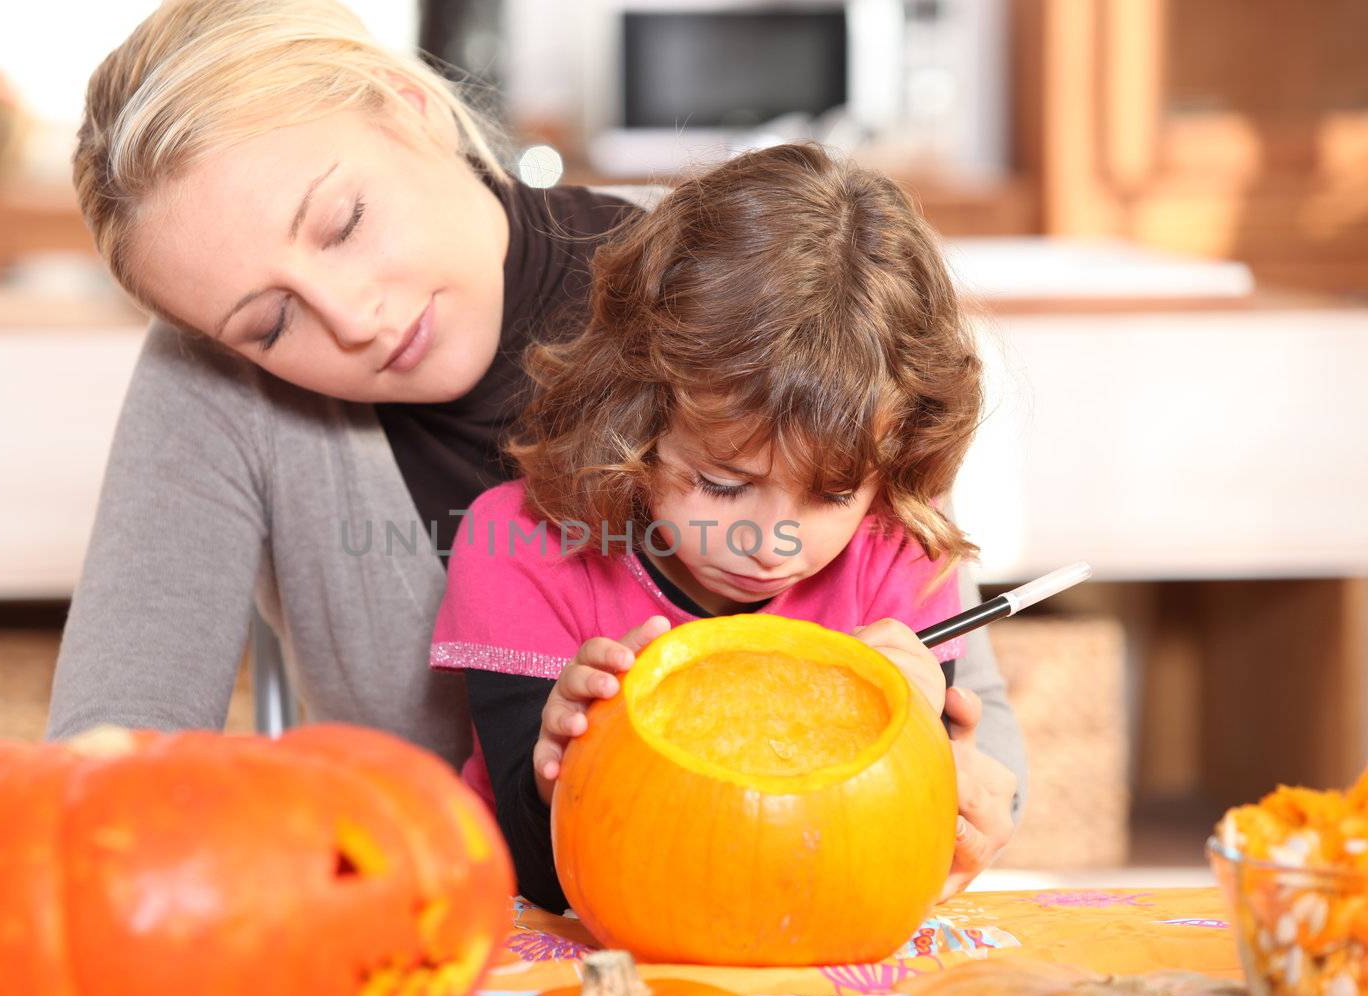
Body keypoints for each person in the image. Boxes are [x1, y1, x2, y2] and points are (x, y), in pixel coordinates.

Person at [54, 0, 1023, 897]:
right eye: (269, 323)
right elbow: (104, 787)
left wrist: (957, 791)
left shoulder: (728, 298)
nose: (353, 319)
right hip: (435, 939)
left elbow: (976, 724)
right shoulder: (212, 381)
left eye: (343, 223)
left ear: (408, 105)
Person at [432, 143, 1007, 910]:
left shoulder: (901, 544)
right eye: (723, 484)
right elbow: (540, 879)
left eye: (832, 495)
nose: (771, 544)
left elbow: (891, 863)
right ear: (635, 409)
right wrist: (556, 764)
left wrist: (935, 770)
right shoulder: (522, 546)